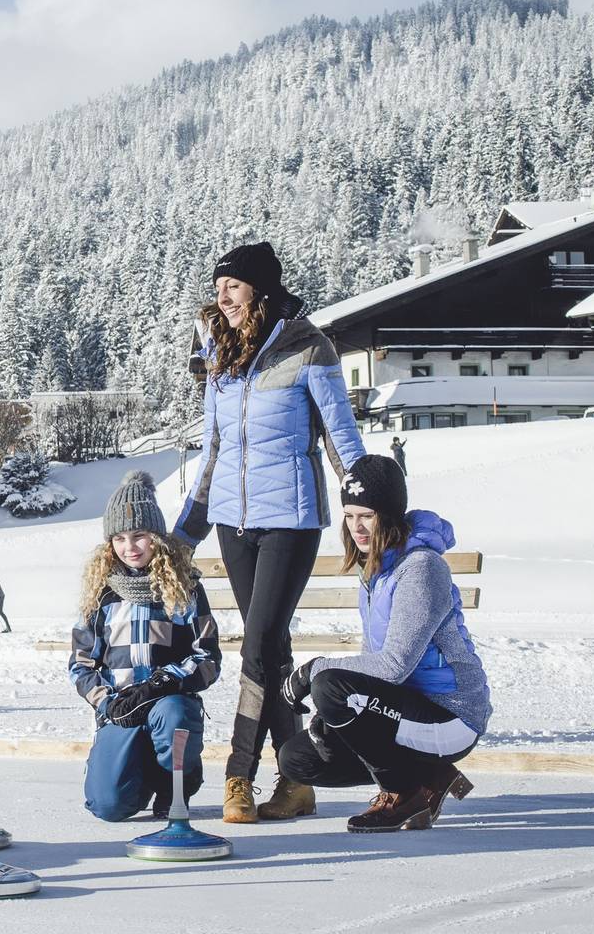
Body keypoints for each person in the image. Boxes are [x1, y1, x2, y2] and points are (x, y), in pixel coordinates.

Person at [171, 240, 367, 825]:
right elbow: (214, 448)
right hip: (234, 521)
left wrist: (368, 509)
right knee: (272, 651)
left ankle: (239, 777)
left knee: (256, 646)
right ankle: (297, 780)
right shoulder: (218, 353)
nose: (222, 296)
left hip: (291, 519)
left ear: (260, 287)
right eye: (218, 286)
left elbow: (340, 436)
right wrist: (188, 530)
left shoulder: (309, 345)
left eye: (233, 285)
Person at [276, 455, 489, 833]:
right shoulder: (375, 570)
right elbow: (376, 668)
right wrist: (334, 719)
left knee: (330, 686)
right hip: (404, 709)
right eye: (349, 515)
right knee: (297, 759)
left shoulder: (420, 568)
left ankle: (402, 793)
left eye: (367, 516)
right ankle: (428, 778)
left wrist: (315, 670)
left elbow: (394, 666)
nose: (357, 527)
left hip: (451, 714)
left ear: (389, 514)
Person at [73, 471, 221, 821]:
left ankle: (176, 782)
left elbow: (207, 657)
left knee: (172, 714)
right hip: (122, 710)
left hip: (166, 705)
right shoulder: (101, 593)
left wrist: (165, 682)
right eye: (120, 538)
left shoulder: (182, 587)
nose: (130, 547)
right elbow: (81, 664)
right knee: (107, 807)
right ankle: (138, 775)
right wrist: (108, 703)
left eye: (139, 536)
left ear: (156, 537)